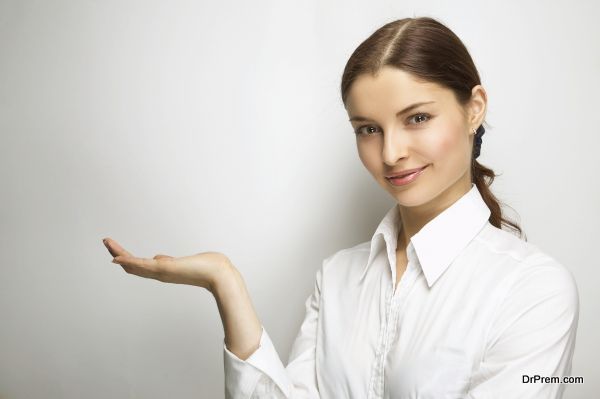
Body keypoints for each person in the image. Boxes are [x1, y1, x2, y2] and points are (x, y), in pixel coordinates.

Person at [102, 16, 579, 399]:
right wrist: (224, 281)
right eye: (367, 128)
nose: (391, 153)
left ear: (474, 108)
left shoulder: (534, 291)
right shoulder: (337, 278)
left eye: (417, 118)